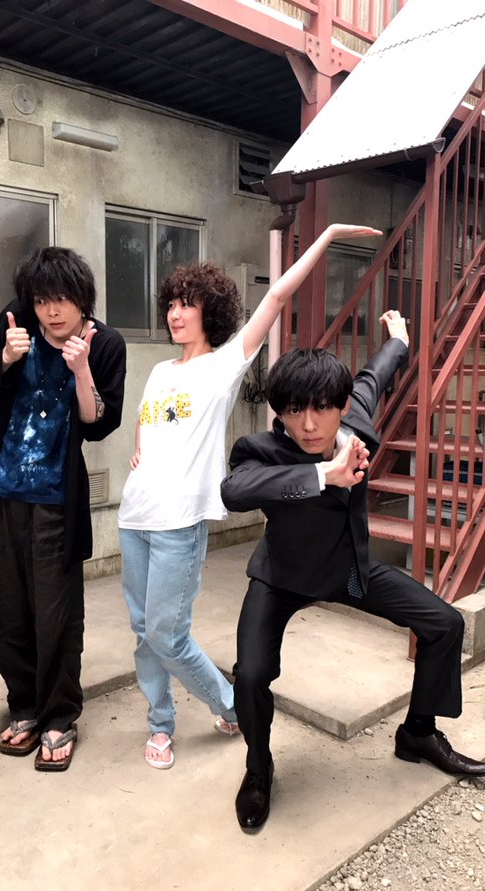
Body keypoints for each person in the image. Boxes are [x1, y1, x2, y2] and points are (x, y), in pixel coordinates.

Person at [118, 224, 381, 769]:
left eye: (187, 305)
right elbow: (146, 422)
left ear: (209, 312)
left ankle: (232, 704)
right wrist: (139, 450)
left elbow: (278, 296)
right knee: (145, 632)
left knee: (167, 634)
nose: (175, 314)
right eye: (171, 304)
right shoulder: (160, 371)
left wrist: (328, 235)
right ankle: (160, 723)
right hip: (134, 516)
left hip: (178, 523)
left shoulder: (223, 366)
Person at [220, 310, 485, 832]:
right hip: (281, 578)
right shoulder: (261, 451)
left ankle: (417, 732)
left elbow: (373, 377)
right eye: (294, 410)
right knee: (251, 673)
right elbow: (234, 491)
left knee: (444, 624)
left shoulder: (357, 420)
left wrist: (399, 340)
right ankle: (258, 768)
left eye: (322, 408)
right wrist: (322, 473)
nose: (308, 424)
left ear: (342, 406)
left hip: (350, 571)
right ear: (279, 412)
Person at [0, 246, 126, 772]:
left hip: (56, 501)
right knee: (3, 610)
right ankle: (25, 706)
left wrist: (81, 370)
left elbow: (99, 423)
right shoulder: (15, 324)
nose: (51, 311)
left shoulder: (105, 344)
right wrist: (6, 358)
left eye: (62, 299)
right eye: (41, 300)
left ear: (83, 299)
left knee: (56, 614)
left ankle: (59, 716)